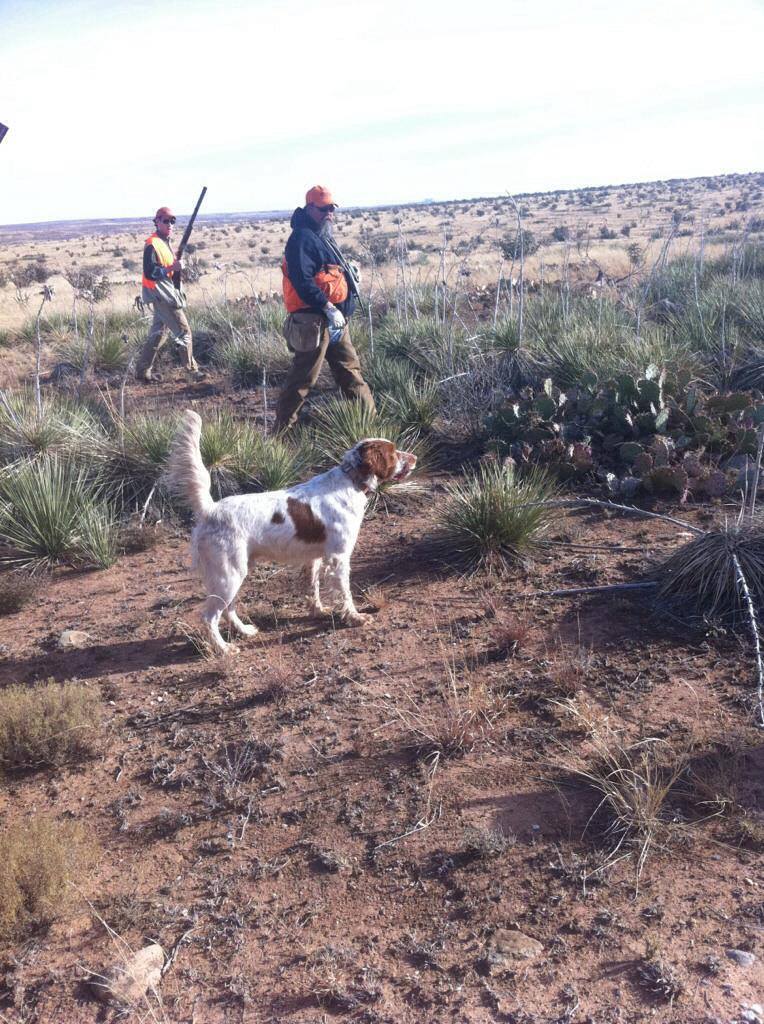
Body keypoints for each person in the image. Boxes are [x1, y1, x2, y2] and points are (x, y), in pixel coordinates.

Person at [274, 185, 375, 431]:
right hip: (314, 320)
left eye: (332, 208)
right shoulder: (301, 238)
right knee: (303, 379)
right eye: (323, 209)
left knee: (350, 371)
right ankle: (280, 433)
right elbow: (302, 281)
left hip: (336, 320)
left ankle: (370, 427)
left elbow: (325, 273)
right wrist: (328, 307)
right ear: (309, 208)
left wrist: (347, 275)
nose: (329, 213)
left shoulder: (322, 235)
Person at [136, 206, 201, 382]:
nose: (170, 224)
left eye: (172, 221)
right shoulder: (152, 244)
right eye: (165, 220)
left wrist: (176, 268)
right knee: (184, 332)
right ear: (157, 222)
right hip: (162, 295)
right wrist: (173, 268)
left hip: (163, 293)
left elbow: (168, 270)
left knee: (158, 333)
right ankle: (192, 372)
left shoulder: (165, 242)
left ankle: (142, 372)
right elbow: (150, 272)